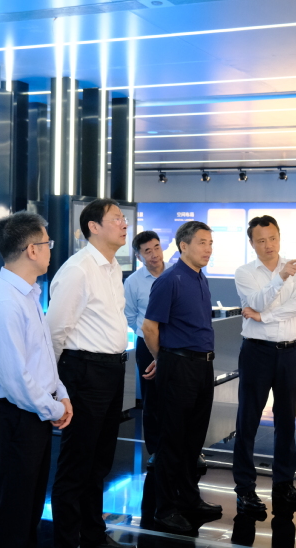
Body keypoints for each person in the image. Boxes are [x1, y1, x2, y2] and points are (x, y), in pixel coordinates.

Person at [0, 211, 73, 548]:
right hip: (14, 420)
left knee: (29, 512)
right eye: (47, 244)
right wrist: (53, 408)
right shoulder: (4, 301)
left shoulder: (28, 294)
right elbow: (15, 377)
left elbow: (42, 356)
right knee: (13, 520)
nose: (50, 250)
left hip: (33, 415)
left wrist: (60, 392)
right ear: (32, 250)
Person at [48, 198, 133, 548]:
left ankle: (93, 534)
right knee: (77, 462)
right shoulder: (78, 269)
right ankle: (67, 539)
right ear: (94, 227)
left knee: (100, 460)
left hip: (111, 370)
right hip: (83, 371)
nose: (124, 223)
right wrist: (55, 384)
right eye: (116, 218)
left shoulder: (113, 268)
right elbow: (55, 331)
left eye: (123, 218)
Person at [142, 221, 222, 532]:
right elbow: (150, 327)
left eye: (211, 243)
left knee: (193, 440)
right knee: (172, 441)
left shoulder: (200, 277)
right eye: (202, 243)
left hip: (202, 367)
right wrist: (163, 359)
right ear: (183, 246)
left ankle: (189, 498)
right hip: (179, 366)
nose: (208, 249)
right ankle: (164, 508)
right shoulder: (170, 280)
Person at [233, 215, 296, 512]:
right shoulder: (244, 272)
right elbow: (257, 301)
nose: (269, 245)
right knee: (248, 420)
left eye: (273, 238)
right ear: (251, 243)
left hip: (292, 352)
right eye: (261, 240)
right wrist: (279, 280)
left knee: (287, 419)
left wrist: (264, 317)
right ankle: (245, 489)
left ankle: (284, 484)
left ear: (279, 237)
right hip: (257, 352)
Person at [124, 231, 168, 460]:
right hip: (147, 344)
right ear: (139, 256)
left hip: (175, 343)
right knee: (152, 398)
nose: (154, 255)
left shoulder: (176, 273)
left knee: (179, 396)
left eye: (156, 247)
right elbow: (130, 316)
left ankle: (179, 448)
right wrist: (145, 334)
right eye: (147, 251)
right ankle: (156, 451)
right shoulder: (133, 282)